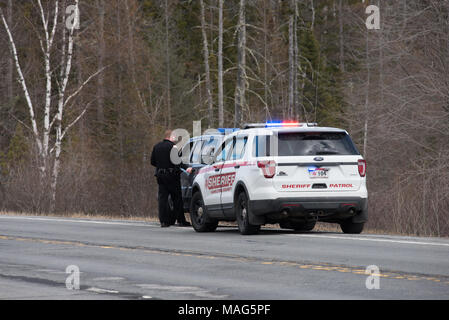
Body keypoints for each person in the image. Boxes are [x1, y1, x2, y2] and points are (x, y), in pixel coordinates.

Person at [151, 130, 192, 228]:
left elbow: (152, 161)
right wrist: (187, 168)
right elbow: (177, 161)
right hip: (172, 176)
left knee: (162, 199)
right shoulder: (173, 147)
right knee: (177, 199)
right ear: (172, 137)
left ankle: (163, 221)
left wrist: (161, 165)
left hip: (160, 176)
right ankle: (181, 221)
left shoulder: (156, 146)